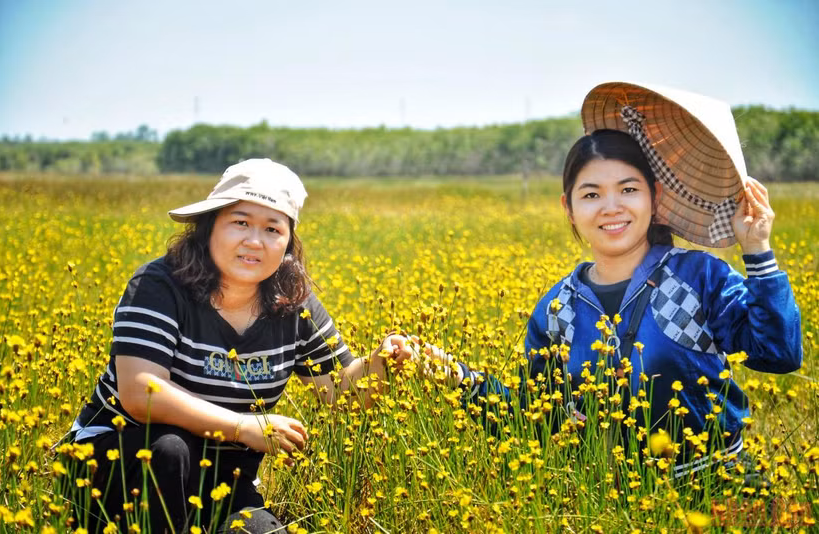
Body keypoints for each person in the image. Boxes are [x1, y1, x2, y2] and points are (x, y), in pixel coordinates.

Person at [424, 82, 802, 479]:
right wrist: (455, 373)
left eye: (628, 189)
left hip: (722, 490)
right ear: (568, 208)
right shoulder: (558, 309)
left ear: (653, 196)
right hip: (619, 504)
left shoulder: (699, 278)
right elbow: (530, 417)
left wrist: (757, 249)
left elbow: (779, 354)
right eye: (590, 195)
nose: (611, 208)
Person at [66, 158, 411, 532]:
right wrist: (243, 426)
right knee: (170, 450)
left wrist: (381, 362)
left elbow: (342, 393)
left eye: (272, 229)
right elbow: (140, 391)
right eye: (240, 222)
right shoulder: (160, 284)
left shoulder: (294, 303)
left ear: (287, 243)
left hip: (222, 481)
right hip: (118, 466)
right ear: (209, 226)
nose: (254, 241)